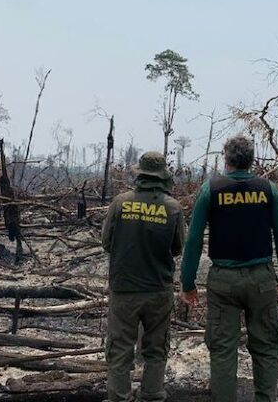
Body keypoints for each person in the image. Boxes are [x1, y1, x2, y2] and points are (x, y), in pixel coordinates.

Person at [180, 134, 278, 402]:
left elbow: (194, 240)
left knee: (222, 351)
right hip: (262, 280)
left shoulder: (211, 189)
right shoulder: (268, 189)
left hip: (223, 281)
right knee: (266, 349)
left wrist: (188, 283)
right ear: (251, 160)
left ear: (226, 158)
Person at [101, 151, 185, 402]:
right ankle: (152, 395)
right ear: (163, 177)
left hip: (124, 288)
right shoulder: (173, 208)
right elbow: (178, 248)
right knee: (156, 348)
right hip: (159, 290)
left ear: (139, 174)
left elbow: (106, 242)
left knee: (119, 349)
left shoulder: (120, 203)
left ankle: (119, 397)